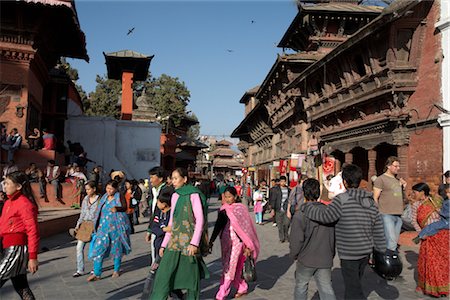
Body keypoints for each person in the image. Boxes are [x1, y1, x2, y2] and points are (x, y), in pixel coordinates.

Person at [303, 164, 386, 300]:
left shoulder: (341, 200)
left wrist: (307, 207)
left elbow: (325, 216)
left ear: (345, 182)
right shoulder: (370, 202)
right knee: (354, 283)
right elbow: (378, 228)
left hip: (349, 253)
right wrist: (381, 249)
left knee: (353, 288)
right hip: (365, 251)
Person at [150, 168, 209, 300]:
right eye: (172, 178)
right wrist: (164, 244)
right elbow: (172, 221)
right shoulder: (175, 195)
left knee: (192, 280)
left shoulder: (194, 195)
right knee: (163, 276)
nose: (173, 181)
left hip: (189, 243)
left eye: (176, 178)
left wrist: (194, 243)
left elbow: (200, 220)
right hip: (174, 241)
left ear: (185, 179)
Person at [209, 186, 260, 300]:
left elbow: (246, 230)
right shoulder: (223, 210)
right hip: (226, 243)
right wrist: (211, 240)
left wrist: (248, 246)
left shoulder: (240, 209)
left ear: (235, 196)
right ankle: (242, 287)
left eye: (230, 197)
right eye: (225, 197)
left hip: (238, 244)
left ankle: (221, 294)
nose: (227, 199)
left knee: (229, 268)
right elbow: (218, 226)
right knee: (235, 268)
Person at [290, 178, 336, 300]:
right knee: (326, 289)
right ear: (318, 193)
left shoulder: (300, 214)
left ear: (304, 193)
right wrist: (331, 253)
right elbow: (333, 236)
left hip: (306, 258)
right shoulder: (329, 213)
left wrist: (294, 254)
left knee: (301, 286)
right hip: (325, 257)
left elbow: (296, 239)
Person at [0, 171, 39, 299]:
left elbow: (32, 231)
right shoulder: (8, 202)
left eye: (7, 183)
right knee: (21, 286)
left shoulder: (25, 204)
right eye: (4, 183)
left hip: (16, 248)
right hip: (7, 246)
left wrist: (33, 257)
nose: (4, 186)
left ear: (18, 186)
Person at [408, 182, 449, 297]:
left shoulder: (435, 201)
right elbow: (414, 221)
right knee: (428, 262)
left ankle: (441, 288)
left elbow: (444, 215)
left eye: (415, 192)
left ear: (422, 192)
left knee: (440, 262)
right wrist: (421, 233)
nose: (413, 194)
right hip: (427, 236)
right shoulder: (416, 205)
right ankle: (428, 287)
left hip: (440, 235)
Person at [87, 180, 131, 281]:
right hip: (103, 229)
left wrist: (117, 208)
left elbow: (124, 207)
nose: (109, 190)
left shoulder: (119, 196)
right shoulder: (104, 198)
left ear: (116, 189)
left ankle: (116, 270)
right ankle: (97, 273)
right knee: (99, 249)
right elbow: (98, 212)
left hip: (116, 229)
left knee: (116, 249)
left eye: (111, 189)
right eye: (107, 188)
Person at [373, 156, 407, 254]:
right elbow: (375, 197)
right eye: (396, 166)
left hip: (398, 214)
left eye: (398, 166)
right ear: (388, 166)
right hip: (386, 213)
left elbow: (400, 197)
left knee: (394, 241)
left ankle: (388, 260)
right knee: (391, 241)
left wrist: (403, 187)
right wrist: (377, 212)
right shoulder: (381, 179)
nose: (398, 168)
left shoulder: (397, 180)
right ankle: (389, 261)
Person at [145, 167, 173, 265]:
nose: (150, 180)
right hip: (156, 224)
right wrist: (150, 229)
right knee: (155, 247)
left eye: (153, 177)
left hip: (165, 224)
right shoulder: (153, 190)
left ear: (160, 179)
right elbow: (154, 211)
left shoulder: (167, 191)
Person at [72, 181, 100, 277]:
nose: (87, 191)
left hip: (95, 225)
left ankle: (94, 268)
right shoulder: (85, 199)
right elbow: (82, 213)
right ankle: (80, 269)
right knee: (79, 247)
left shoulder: (99, 200)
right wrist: (78, 224)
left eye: (88, 189)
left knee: (94, 249)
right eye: (86, 189)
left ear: (94, 189)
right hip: (84, 225)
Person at [150, 189, 172, 270]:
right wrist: (164, 230)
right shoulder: (158, 213)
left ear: (164, 204)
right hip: (158, 243)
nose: (157, 204)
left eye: (158, 202)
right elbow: (154, 227)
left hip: (169, 245)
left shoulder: (172, 213)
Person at [269, 175, 291, 243]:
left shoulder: (289, 190)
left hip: (286, 210)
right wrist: (272, 209)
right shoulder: (276, 190)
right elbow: (273, 200)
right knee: (279, 224)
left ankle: (286, 236)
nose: (283, 183)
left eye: (284, 181)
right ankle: (282, 238)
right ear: (279, 182)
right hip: (278, 209)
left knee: (286, 224)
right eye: (282, 181)